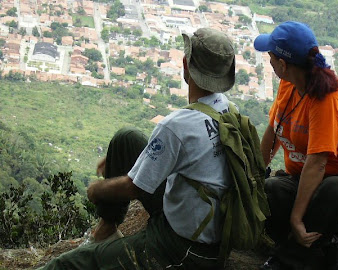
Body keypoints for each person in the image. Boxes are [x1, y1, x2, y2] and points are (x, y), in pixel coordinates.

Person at [37, 27, 236, 270]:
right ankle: (107, 230)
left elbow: (134, 187)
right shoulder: (229, 110)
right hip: (206, 222)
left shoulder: (177, 126)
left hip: (182, 247)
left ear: (186, 65)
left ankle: (103, 248)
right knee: (127, 139)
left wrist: (97, 190)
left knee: (68, 264)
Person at [254, 21, 338, 270]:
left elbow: (318, 162)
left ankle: (285, 261)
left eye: (270, 56)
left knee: (334, 189)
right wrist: (256, 174)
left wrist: (296, 217)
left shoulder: (327, 99)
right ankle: (323, 248)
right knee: (269, 191)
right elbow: (274, 130)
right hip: (306, 177)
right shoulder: (288, 84)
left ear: (283, 64)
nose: (268, 60)